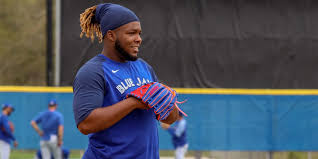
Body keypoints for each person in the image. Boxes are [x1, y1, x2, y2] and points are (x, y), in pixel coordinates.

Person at [73, 3, 180, 159]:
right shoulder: (93, 72)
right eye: (132, 33)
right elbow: (85, 124)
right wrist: (133, 103)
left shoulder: (144, 68)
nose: (139, 39)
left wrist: (168, 102)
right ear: (111, 35)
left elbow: (170, 118)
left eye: (139, 33)